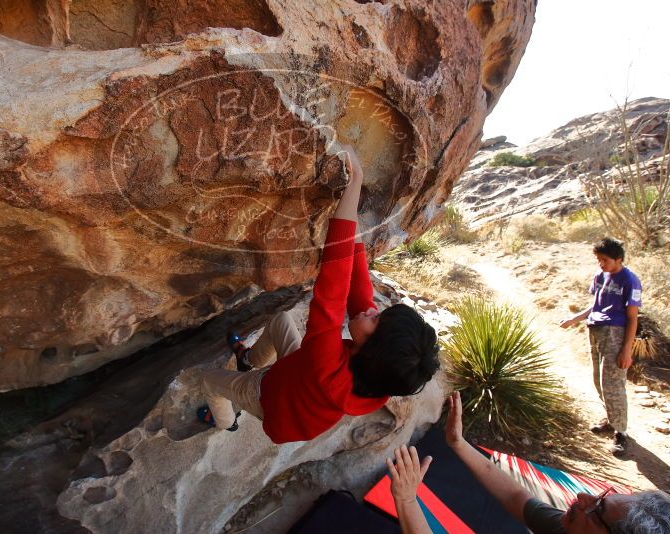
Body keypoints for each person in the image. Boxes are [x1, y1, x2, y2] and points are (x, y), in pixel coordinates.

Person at [197, 145, 441, 444]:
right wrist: (354, 228)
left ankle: (224, 421)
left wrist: (355, 184)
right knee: (281, 321)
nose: (372, 311)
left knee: (209, 381)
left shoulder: (327, 366)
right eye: (381, 315)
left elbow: (334, 285)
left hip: (267, 397)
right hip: (297, 380)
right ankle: (248, 359)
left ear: (371, 351)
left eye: (376, 321)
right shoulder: (382, 376)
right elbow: (360, 295)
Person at [387, 392, 670, 534]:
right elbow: (516, 496)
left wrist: (407, 499)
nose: (584, 496)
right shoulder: (569, 528)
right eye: (602, 496)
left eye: (597, 511)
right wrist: (458, 443)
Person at [559, 237, 642, 455]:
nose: (601, 264)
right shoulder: (599, 276)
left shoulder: (629, 280)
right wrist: (574, 319)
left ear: (618, 259)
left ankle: (621, 433)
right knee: (599, 380)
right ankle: (610, 419)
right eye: (598, 259)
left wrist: (627, 349)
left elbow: (633, 317)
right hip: (595, 329)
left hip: (615, 333)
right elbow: (595, 305)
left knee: (613, 383)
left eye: (605, 260)